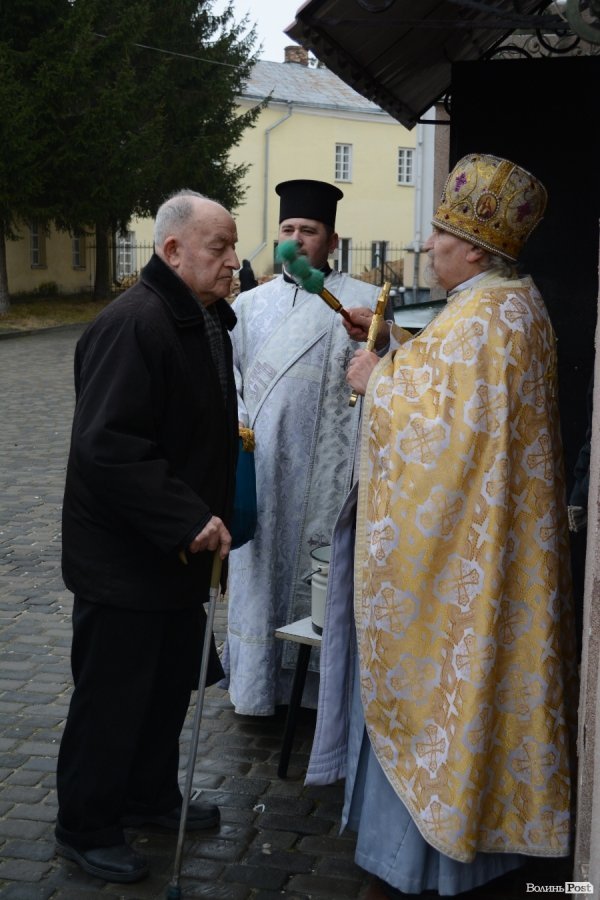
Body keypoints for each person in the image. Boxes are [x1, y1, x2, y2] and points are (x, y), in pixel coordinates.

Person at [307, 154, 577, 898]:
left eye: (439, 234)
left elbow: (447, 442)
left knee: (448, 697)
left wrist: (377, 381)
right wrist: (395, 346)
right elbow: (460, 403)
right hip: (492, 550)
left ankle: (432, 863)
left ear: (477, 249)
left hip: (466, 565)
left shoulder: (493, 315)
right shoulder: (504, 304)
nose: (428, 246)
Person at [55, 189, 240, 884]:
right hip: (126, 559)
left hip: (173, 558)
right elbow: (107, 446)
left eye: (231, 246)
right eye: (218, 248)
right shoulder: (134, 323)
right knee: (113, 697)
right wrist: (185, 517)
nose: (232, 261)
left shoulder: (195, 316)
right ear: (172, 251)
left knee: (166, 686)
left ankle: (148, 795)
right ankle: (87, 823)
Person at [220, 178, 386, 716]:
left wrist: (379, 341)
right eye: (288, 229)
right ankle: (257, 689)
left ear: (331, 242)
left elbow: (391, 371)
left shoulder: (364, 304)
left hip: (331, 475)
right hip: (264, 469)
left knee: (323, 577)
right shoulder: (248, 305)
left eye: (308, 231)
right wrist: (242, 435)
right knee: (262, 572)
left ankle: (318, 698)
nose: (296, 239)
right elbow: (233, 380)